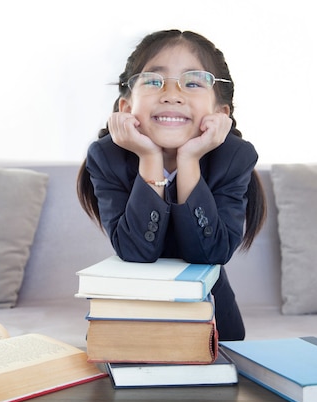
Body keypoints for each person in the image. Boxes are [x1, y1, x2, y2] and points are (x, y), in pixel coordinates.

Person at [77, 29, 266, 341]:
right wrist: (149, 157)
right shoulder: (108, 156)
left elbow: (210, 252)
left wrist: (189, 161)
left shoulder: (234, 157)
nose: (172, 94)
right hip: (132, 318)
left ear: (221, 114)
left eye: (192, 83)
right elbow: (136, 251)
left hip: (212, 321)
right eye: (154, 81)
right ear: (126, 108)